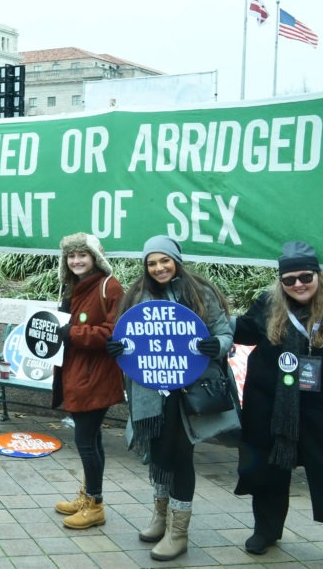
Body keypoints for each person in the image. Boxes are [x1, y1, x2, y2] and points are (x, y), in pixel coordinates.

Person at [112, 235, 233, 561]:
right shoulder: (137, 295)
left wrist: (216, 346)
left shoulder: (199, 291)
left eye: (164, 260)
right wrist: (119, 348)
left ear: (175, 260)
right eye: (151, 263)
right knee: (159, 453)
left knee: (180, 456)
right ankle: (160, 518)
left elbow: (224, 332)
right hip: (151, 392)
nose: (158, 267)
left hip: (188, 390)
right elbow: (128, 335)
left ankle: (178, 533)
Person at [233, 241, 323, 555]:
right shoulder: (268, 303)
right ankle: (266, 531)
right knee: (269, 468)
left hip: (319, 406)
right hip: (270, 404)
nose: (298, 284)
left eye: (305, 277)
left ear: (317, 274)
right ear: (281, 281)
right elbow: (242, 330)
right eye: (290, 280)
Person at [51, 233, 125, 528]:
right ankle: (89, 496)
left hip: (96, 375)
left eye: (82, 255)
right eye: (71, 256)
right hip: (77, 372)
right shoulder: (73, 287)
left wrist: (72, 333)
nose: (76, 260)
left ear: (96, 257)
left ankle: (95, 505)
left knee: (85, 441)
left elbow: (114, 332)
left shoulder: (110, 286)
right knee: (92, 440)